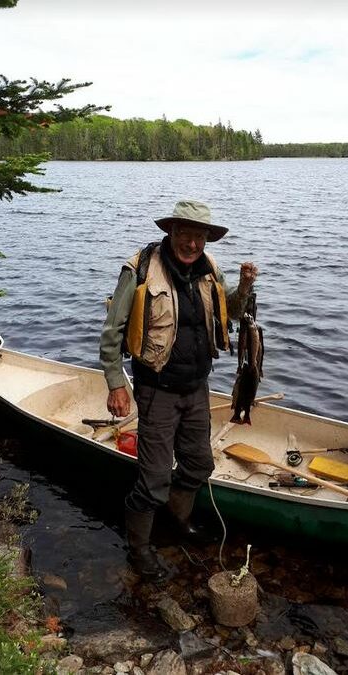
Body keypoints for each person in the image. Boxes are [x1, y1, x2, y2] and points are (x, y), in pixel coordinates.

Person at [100, 200, 258, 582]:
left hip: (196, 387)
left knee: (199, 464)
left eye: (199, 236)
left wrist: (245, 287)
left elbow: (231, 312)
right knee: (153, 480)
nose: (191, 243)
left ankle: (179, 522)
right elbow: (112, 332)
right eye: (185, 234)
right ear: (171, 232)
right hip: (156, 389)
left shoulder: (210, 268)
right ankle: (138, 549)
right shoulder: (140, 268)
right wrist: (116, 383)